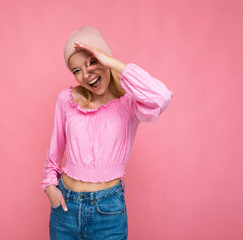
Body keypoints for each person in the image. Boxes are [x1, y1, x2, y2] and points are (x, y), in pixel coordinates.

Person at [41, 26, 174, 240]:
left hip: (108, 211)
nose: (86, 75)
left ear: (104, 58)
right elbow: (55, 150)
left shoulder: (130, 103)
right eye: (76, 70)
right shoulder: (66, 100)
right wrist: (49, 186)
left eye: (92, 62)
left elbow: (162, 97)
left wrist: (113, 63)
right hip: (65, 209)